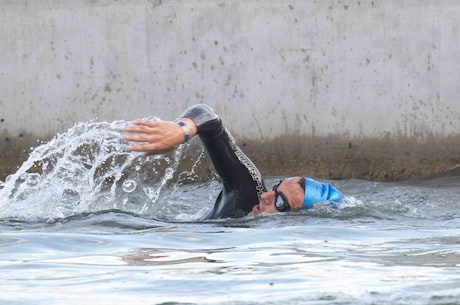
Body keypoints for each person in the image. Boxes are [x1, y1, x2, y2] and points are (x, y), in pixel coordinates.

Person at [123, 104, 344, 220]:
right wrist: (183, 130)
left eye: (280, 203)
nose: (266, 196)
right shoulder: (248, 192)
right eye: (276, 188)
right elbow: (211, 119)